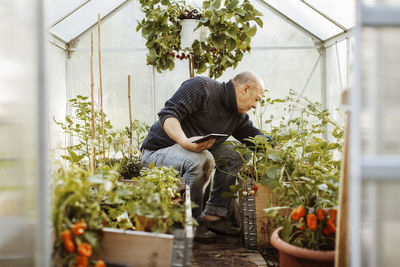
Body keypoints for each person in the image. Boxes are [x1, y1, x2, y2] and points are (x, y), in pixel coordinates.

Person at [140, 71, 266, 243]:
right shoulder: (202, 88)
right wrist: (184, 141)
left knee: (238, 153)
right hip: (157, 152)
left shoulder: (237, 117)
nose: (255, 106)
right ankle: (191, 222)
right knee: (203, 159)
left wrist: (280, 151)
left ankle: (214, 215)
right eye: (257, 99)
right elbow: (168, 115)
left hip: (190, 152)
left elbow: (257, 140)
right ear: (245, 89)